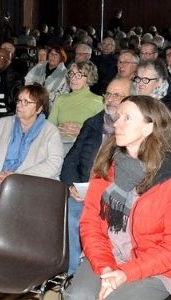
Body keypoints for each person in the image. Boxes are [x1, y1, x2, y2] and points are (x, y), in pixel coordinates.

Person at [64, 95, 171, 300]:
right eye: (118, 117)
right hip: (106, 256)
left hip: (152, 268)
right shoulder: (106, 166)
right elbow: (90, 224)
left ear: (149, 128)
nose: (116, 123)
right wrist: (105, 267)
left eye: (127, 118)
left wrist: (126, 273)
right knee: (77, 296)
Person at [61, 78, 132, 276]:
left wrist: (95, 192)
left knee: (93, 222)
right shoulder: (92, 123)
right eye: (108, 94)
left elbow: (131, 175)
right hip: (83, 190)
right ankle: (73, 272)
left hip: (116, 196)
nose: (111, 99)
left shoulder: (134, 131)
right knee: (69, 215)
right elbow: (71, 160)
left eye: (117, 95)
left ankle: (96, 269)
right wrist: (72, 186)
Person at [0, 84, 63, 227]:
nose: (20, 105)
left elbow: (54, 164)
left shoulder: (50, 131)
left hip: (28, 181)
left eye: (26, 102)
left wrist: (17, 177)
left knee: (16, 211)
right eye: (19, 100)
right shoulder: (3, 123)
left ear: (39, 108)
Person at [133, 61, 171, 155]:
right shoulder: (133, 101)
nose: (139, 84)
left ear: (159, 82)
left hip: (167, 154)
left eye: (145, 79)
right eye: (138, 78)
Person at [48, 61, 104, 154]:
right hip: (58, 142)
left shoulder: (99, 101)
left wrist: (81, 132)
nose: (73, 78)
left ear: (89, 78)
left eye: (79, 75)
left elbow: (101, 133)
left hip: (83, 145)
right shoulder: (61, 99)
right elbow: (49, 126)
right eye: (71, 74)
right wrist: (57, 130)